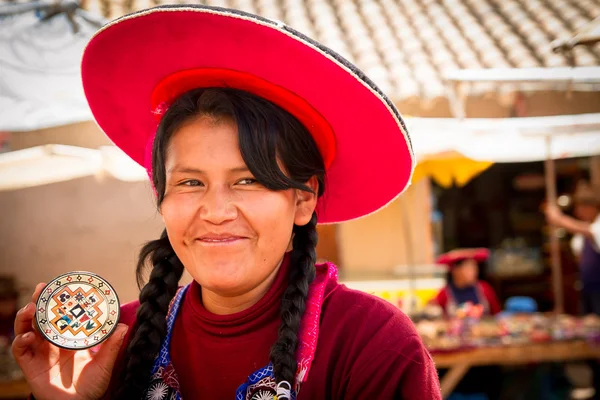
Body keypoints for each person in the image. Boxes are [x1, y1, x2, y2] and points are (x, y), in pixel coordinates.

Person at [12, 5, 441, 400]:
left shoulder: (372, 344)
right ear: (161, 196)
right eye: (191, 182)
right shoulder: (108, 344)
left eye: (249, 180)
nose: (216, 211)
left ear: (303, 199)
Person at [546, 180, 600, 400]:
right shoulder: (582, 236)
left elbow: (590, 232)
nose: (578, 212)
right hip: (588, 292)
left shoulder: (594, 227)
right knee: (590, 337)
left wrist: (559, 220)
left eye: (581, 207)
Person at [433, 248, 501, 316]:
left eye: (475, 267)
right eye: (468, 268)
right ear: (455, 270)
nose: (474, 272)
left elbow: (497, 314)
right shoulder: (444, 293)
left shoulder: (484, 288)